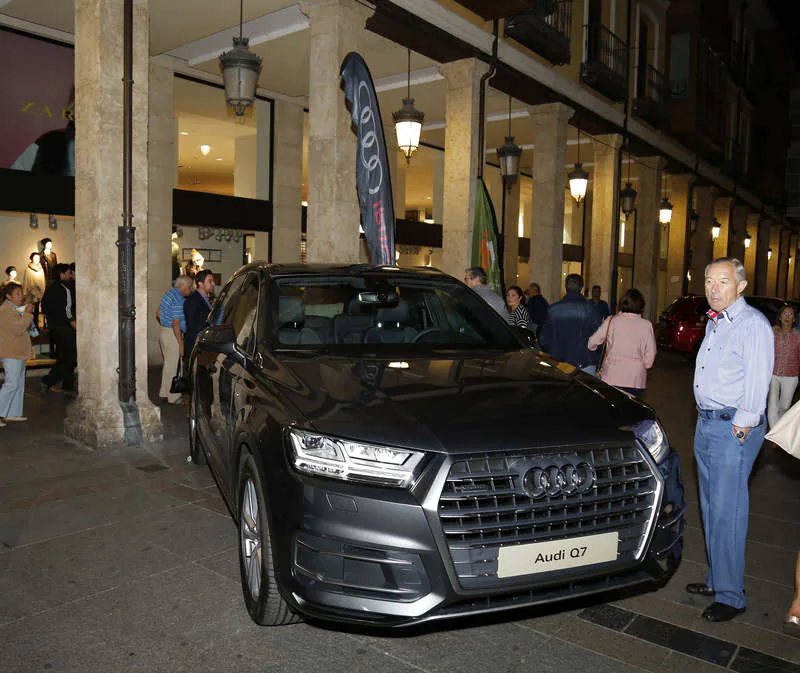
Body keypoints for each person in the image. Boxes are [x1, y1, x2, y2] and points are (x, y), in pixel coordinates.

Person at [688, 257, 773, 622]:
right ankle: (717, 577)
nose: (713, 288)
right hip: (707, 423)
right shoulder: (716, 322)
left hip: (731, 427)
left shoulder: (752, 324)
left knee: (728, 511)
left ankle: (731, 595)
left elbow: (757, 379)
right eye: (708, 281)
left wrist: (743, 424)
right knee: (711, 507)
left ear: (741, 286)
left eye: (722, 281)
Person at [587, 288, 656, 398]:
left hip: (612, 375)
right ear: (641, 306)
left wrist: (595, 349)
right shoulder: (647, 325)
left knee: (613, 412)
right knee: (633, 412)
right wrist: (641, 364)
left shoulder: (611, 320)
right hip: (636, 378)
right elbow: (650, 358)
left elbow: (592, 342)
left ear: (622, 303)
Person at [539, 273, 602, 372]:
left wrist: (554, 351)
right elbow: (599, 337)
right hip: (584, 363)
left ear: (565, 288)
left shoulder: (553, 309)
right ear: (582, 289)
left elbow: (544, 338)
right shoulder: (590, 309)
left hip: (559, 363)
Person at [40, 264, 77, 397]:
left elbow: (43, 306)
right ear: (62, 274)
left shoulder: (49, 288)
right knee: (71, 358)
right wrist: (75, 326)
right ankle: (49, 380)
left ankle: (66, 386)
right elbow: (67, 312)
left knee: (66, 357)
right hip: (64, 328)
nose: (69, 275)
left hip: (53, 327)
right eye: (67, 273)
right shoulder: (65, 289)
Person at [0, 281, 35, 425]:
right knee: (12, 383)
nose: (21, 296)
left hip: (19, 351)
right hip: (11, 352)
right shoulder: (4, 310)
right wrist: (28, 315)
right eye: (17, 294)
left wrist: (26, 314)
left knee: (19, 383)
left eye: (21, 293)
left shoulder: (16, 309)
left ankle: (12, 412)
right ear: (8, 296)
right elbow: (18, 328)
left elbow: (26, 328)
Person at [158, 275, 193, 404]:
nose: (190, 289)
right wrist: (181, 343)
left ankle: (165, 392)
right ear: (183, 286)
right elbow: (176, 323)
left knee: (168, 365)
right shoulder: (179, 298)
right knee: (174, 367)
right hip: (173, 334)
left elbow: (158, 313)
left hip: (164, 331)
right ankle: (174, 397)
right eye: (189, 287)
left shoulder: (169, 294)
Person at [768, 303, 800, 429]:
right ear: (780, 317)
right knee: (772, 403)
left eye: (790, 314)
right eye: (784, 313)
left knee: (785, 406)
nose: (787, 316)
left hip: (791, 375)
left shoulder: (798, 336)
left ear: (795, 318)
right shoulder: (772, 332)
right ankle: (774, 432)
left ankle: (779, 427)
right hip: (773, 373)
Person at [183, 269, 215, 361]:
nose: (213, 284)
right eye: (210, 281)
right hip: (196, 346)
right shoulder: (193, 300)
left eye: (213, 281)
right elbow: (192, 326)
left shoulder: (205, 298)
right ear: (200, 283)